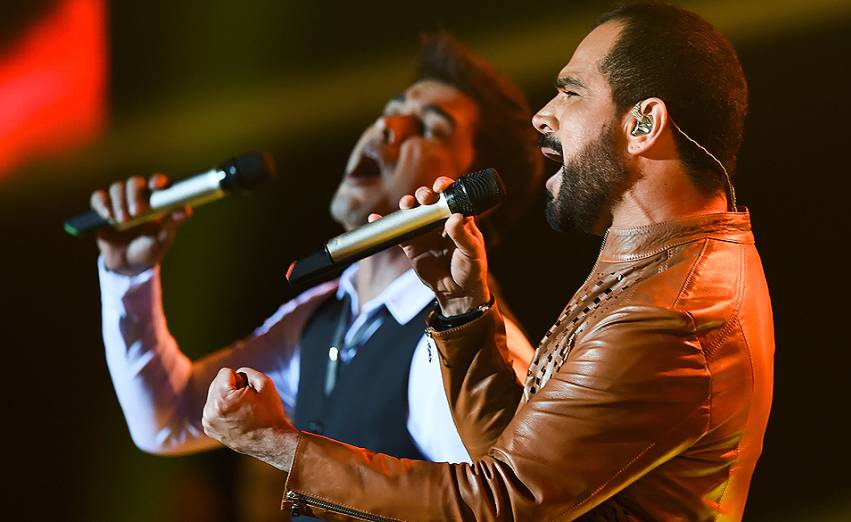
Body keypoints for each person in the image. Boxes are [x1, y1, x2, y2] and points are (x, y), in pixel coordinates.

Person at [200, 2, 776, 521]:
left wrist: (280, 446)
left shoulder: (669, 312)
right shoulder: (659, 265)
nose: (542, 116)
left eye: (571, 93)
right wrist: (461, 309)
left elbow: (499, 503)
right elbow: (519, 461)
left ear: (644, 123)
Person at [91, 32, 541, 518]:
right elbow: (169, 417)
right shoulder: (321, 316)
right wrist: (128, 273)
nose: (388, 125)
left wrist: (275, 444)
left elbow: (503, 503)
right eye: (392, 109)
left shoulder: (469, 348)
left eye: (430, 128)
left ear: (470, 195)